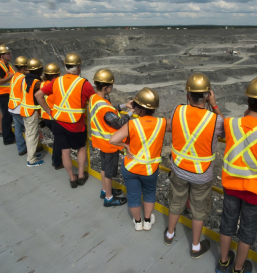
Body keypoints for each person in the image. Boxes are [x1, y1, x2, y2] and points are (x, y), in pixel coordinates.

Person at [216, 76, 257, 273]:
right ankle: (238, 269)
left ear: (247, 101)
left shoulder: (231, 123)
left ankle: (223, 263)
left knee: (227, 224)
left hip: (230, 186)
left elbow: (233, 130)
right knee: (247, 232)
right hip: (255, 192)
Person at [164, 72, 225, 259]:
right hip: (202, 174)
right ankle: (196, 246)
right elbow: (227, 133)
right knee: (199, 209)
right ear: (207, 95)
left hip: (179, 169)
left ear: (187, 95)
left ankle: (170, 234)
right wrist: (214, 105)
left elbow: (172, 127)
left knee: (176, 201)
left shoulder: (177, 110)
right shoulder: (216, 120)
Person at [110, 88, 167, 230]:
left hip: (131, 167)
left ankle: (137, 222)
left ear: (140, 110)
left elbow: (113, 140)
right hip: (150, 169)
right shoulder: (162, 123)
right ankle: (147, 221)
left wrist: (125, 145)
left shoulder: (132, 124)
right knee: (149, 193)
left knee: (133, 194)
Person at [35, 53, 94, 188]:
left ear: (65, 67)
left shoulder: (57, 81)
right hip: (76, 125)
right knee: (81, 149)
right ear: (78, 68)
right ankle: (80, 175)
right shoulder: (84, 83)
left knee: (65, 152)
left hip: (58, 123)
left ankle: (72, 179)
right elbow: (95, 101)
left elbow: (38, 95)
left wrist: (49, 112)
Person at [88, 68, 133, 206]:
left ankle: (104, 190)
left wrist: (124, 105)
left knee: (103, 168)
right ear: (106, 87)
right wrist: (131, 112)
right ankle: (109, 198)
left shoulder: (94, 98)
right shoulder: (104, 107)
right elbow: (118, 122)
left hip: (101, 142)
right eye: (111, 86)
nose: (112, 88)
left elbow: (110, 110)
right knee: (108, 172)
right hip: (110, 145)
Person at [20, 58, 44, 167]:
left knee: (30, 133)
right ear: (39, 70)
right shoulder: (36, 83)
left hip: (25, 109)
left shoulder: (26, 79)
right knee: (32, 135)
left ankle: (32, 154)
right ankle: (31, 160)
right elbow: (47, 87)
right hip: (31, 111)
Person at [40, 62, 63, 170]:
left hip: (45, 116)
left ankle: (57, 160)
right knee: (59, 140)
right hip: (53, 117)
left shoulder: (42, 84)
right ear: (55, 76)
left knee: (58, 138)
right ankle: (57, 162)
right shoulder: (53, 86)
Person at [0, 44, 15, 144]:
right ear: (2, 55)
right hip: (3, 95)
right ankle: (7, 139)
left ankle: (9, 135)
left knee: (9, 117)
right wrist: (10, 77)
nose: (10, 55)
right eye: (8, 53)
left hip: (8, 94)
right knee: (6, 117)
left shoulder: (7, 65)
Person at [8, 55, 28, 156]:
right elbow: (26, 94)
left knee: (18, 129)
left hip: (12, 106)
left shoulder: (15, 76)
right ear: (24, 68)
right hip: (19, 108)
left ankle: (21, 148)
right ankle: (32, 148)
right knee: (29, 129)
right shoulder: (23, 78)